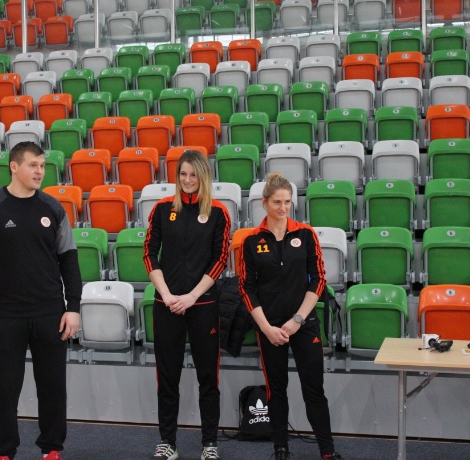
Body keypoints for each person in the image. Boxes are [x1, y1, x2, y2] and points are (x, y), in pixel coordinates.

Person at [0, 141, 81, 460]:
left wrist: (73, 307)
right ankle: (3, 451)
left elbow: (69, 259)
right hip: (4, 314)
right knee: (4, 389)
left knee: (53, 387)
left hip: (49, 311)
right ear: (14, 167)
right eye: (33, 165)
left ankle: (52, 448)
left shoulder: (53, 208)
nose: (40, 171)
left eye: (42, 165)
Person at [238, 172, 342, 460]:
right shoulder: (251, 241)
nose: (283, 208)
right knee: (277, 391)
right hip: (269, 328)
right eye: (277, 202)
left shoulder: (306, 234)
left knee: (314, 390)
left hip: (304, 324)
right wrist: (267, 328)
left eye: (287, 202)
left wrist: (297, 320)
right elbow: (246, 288)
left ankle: (327, 451)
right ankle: (281, 448)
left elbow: (318, 281)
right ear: (264, 203)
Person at [143, 149, 231, 460]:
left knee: (208, 377)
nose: (188, 180)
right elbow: (149, 254)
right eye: (183, 174)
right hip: (166, 304)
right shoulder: (162, 208)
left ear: (203, 176)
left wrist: (192, 296)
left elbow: (220, 260)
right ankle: (167, 442)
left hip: (203, 304)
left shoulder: (218, 212)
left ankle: (209, 444)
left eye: (193, 174)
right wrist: (167, 295)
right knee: (167, 377)